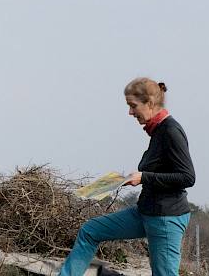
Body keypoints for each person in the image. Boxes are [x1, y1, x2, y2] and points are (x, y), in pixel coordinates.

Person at [58, 78, 195, 276]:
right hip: (144, 212)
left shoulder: (171, 130)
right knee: (90, 231)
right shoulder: (157, 132)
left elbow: (187, 177)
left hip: (166, 218)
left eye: (133, 106)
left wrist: (144, 177)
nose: (130, 112)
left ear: (149, 103)